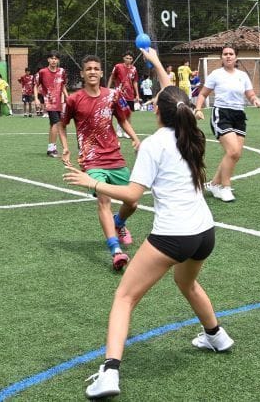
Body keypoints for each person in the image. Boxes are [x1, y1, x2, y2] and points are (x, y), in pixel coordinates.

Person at [65, 46, 232, 400]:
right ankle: (216, 335)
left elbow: (132, 196)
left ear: (157, 110)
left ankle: (109, 372)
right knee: (186, 283)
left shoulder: (154, 145)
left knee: (124, 297)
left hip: (173, 236)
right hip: (204, 233)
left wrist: (92, 183)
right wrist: (154, 60)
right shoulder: (193, 134)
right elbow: (173, 94)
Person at [59, 55, 141, 271]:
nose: (93, 72)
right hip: (91, 159)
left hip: (115, 156)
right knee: (103, 200)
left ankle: (119, 223)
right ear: (83, 74)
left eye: (96, 68)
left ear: (102, 73)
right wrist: (66, 147)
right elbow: (62, 124)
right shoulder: (73, 99)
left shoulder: (113, 95)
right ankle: (115, 250)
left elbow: (122, 119)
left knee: (132, 202)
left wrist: (134, 137)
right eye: (88, 69)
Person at [194, 45, 260, 203]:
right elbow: (203, 93)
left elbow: (250, 93)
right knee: (232, 151)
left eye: (231, 54)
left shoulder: (243, 75)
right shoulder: (216, 74)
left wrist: (255, 100)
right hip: (221, 114)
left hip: (239, 115)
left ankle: (214, 184)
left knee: (235, 154)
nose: (228, 56)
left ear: (236, 57)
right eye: (225, 54)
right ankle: (225, 187)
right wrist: (198, 109)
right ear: (221, 57)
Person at [37, 51, 68, 157]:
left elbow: (63, 85)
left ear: (58, 60)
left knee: (53, 125)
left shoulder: (62, 71)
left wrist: (67, 97)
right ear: (48, 60)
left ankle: (50, 147)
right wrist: (36, 99)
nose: (54, 60)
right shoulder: (42, 72)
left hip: (59, 103)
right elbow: (35, 85)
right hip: (49, 103)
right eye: (52, 58)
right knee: (56, 124)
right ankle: (52, 149)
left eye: (56, 58)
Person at [108, 52, 140, 137]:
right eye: (127, 58)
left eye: (130, 58)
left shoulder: (134, 69)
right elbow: (112, 77)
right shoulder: (118, 66)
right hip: (120, 94)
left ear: (132, 59)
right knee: (121, 113)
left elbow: (135, 82)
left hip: (130, 95)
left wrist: (137, 94)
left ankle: (127, 132)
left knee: (129, 113)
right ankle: (119, 130)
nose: (128, 60)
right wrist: (107, 89)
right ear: (123, 58)